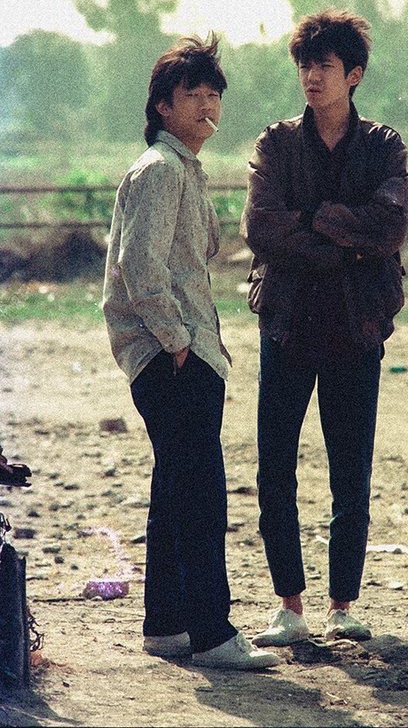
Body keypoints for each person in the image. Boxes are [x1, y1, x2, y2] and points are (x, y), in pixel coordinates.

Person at [103, 35, 279, 670]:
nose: (207, 105)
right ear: (163, 106)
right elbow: (139, 267)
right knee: (201, 492)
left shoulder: (183, 169)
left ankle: (167, 624)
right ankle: (212, 633)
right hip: (169, 353)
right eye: (192, 95)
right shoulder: (161, 170)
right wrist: (178, 344)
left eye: (214, 95)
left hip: (183, 350)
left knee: (174, 486)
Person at [240, 10, 408, 646]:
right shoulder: (276, 144)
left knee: (351, 471)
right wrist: (348, 241)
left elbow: (391, 227)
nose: (312, 76)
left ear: (354, 75)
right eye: (305, 65)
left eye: (326, 66)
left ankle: (343, 605)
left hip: (355, 324)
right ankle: (289, 606)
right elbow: (261, 228)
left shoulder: (384, 146)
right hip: (287, 323)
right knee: (274, 470)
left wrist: (316, 218)